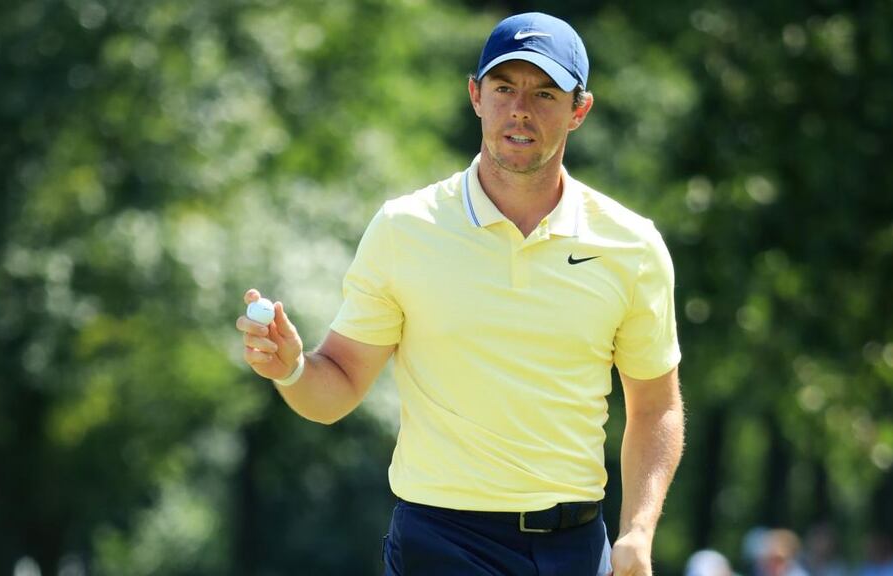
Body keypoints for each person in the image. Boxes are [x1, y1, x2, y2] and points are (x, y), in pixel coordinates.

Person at [236, 12, 684, 576]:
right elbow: (339, 386)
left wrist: (638, 532)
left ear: (579, 111)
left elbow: (656, 405)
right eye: (504, 88)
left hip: (574, 545)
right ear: (476, 96)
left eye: (544, 94)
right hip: (441, 540)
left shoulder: (630, 244)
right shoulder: (405, 228)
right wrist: (293, 369)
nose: (520, 109)